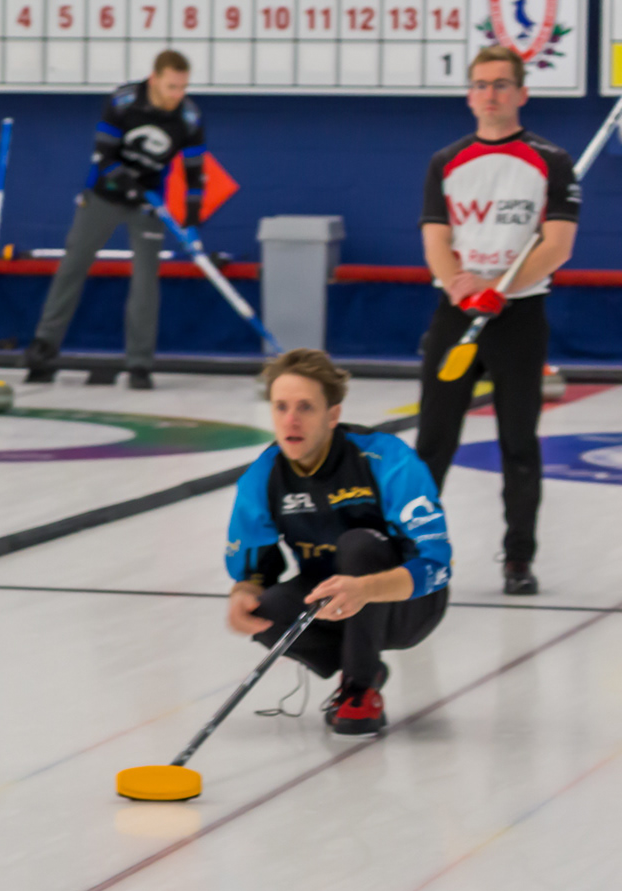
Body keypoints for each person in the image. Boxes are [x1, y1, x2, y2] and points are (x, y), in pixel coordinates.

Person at [414, 43, 578, 597]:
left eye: (501, 84)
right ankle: (412, 553)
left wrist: (501, 289)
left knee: (518, 443)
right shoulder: (445, 161)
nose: (490, 94)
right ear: (469, 95)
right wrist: (462, 287)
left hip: (519, 316)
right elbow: (435, 239)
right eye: (481, 84)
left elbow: (557, 245)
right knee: (434, 440)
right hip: (456, 313)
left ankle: (518, 558)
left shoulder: (552, 161)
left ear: (521, 93)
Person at [225, 350, 451, 736]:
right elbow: (254, 570)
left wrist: (366, 589)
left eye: (305, 407)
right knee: (265, 611)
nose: (291, 420)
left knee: (358, 545)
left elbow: (436, 566)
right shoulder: (263, 475)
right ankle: (363, 664)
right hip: (330, 600)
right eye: (281, 407)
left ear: (332, 415)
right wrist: (242, 594)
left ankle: (358, 690)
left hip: (405, 604)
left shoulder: (386, 457)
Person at [24, 49, 207, 390]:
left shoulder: (189, 117)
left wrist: (193, 214)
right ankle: (44, 350)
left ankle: (139, 365)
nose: (177, 95)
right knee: (73, 266)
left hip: (148, 206)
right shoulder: (124, 101)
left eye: (183, 87)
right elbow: (103, 156)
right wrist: (128, 184)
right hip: (104, 196)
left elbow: (195, 171)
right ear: (154, 79)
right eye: (171, 87)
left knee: (146, 282)